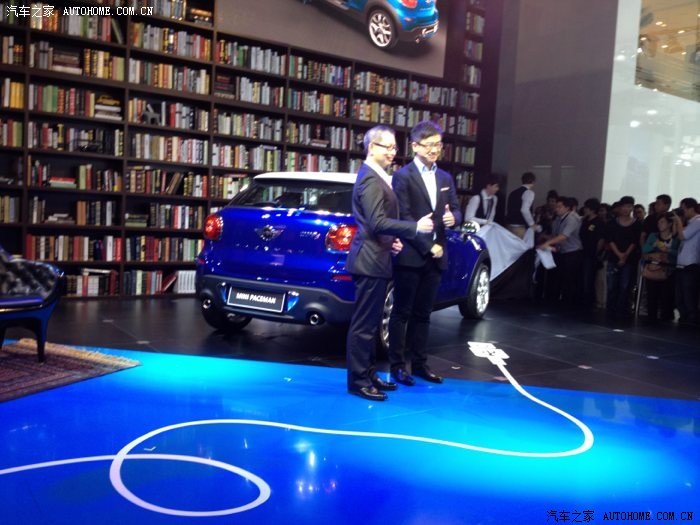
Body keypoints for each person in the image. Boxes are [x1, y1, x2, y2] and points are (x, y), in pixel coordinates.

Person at [345, 125, 434, 401]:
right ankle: (358, 380)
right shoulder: (371, 179)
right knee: (363, 325)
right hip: (369, 260)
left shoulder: (376, 175)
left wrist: (390, 240)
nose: (393, 153)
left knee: (371, 324)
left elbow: (376, 225)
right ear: (372, 147)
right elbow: (376, 221)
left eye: (395, 148)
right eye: (388, 147)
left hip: (376, 258)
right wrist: (414, 227)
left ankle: (368, 374)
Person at [388, 120, 461, 386]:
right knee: (401, 313)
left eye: (438, 145)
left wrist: (455, 218)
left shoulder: (445, 178)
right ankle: (398, 366)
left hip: (436, 257)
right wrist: (428, 246)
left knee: (424, 314)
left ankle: (420, 364)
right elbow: (404, 217)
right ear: (415, 146)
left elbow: (456, 209)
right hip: (411, 255)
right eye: (429, 145)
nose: (434, 150)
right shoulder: (403, 176)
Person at [537, 196, 583, 306]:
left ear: (567, 208)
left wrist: (547, 243)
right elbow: (556, 235)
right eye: (556, 207)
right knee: (560, 277)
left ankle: (568, 303)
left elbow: (564, 236)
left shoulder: (572, 219)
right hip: (562, 251)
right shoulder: (557, 219)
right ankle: (558, 301)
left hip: (573, 251)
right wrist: (545, 238)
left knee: (569, 278)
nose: (556, 209)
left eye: (559, 207)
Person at [604, 196, 642, 317]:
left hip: (629, 259)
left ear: (632, 208)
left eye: (629, 206)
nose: (626, 209)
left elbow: (634, 241)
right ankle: (610, 310)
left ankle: (622, 310)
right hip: (613, 257)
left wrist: (624, 256)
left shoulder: (637, 224)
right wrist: (619, 254)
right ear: (620, 207)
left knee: (625, 286)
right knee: (611, 286)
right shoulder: (612, 223)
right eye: (624, 206)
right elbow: (610, 240)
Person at [641, 213, 679, 322]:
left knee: (667, 296)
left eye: (662, 222)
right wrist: (654, 245)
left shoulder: (675, 238)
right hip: (653, 268)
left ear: (669, 224)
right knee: (652, 295)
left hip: (669, 270)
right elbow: (645, 249)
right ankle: (651, 318)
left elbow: (679, 253)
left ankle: (666, 318)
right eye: (658, 222)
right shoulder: (654, 235)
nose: (659, 224)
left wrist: (668, 250)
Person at [672, 198, 700, 325]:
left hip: (691, 264)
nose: (682, 212)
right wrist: (677, 221)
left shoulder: (698, 221)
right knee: (680, 296)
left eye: (683, 209)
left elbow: (683, 236)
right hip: (681, 264)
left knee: (689, 295)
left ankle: (692, 320)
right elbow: (676, 235)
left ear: (691, 208)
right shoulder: (688, 223)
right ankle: (684, 318)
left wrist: (678, 220)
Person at [579, 197, 606, 308]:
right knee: (582, 278)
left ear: (592, 209)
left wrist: (596, 253)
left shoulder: (599, 222)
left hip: (591, 254)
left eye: (587, 208)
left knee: (588, 279)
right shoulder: (585, 221)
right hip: (582, 252)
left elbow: (600, 239)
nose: (585, 209)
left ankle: (588, 303)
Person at [505, 171, 536, 239]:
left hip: (509, 226)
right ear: (533, 182)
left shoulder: (513, 193)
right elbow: (524, 210)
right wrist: (532, 224)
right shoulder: (529, 193)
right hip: (520, 228)